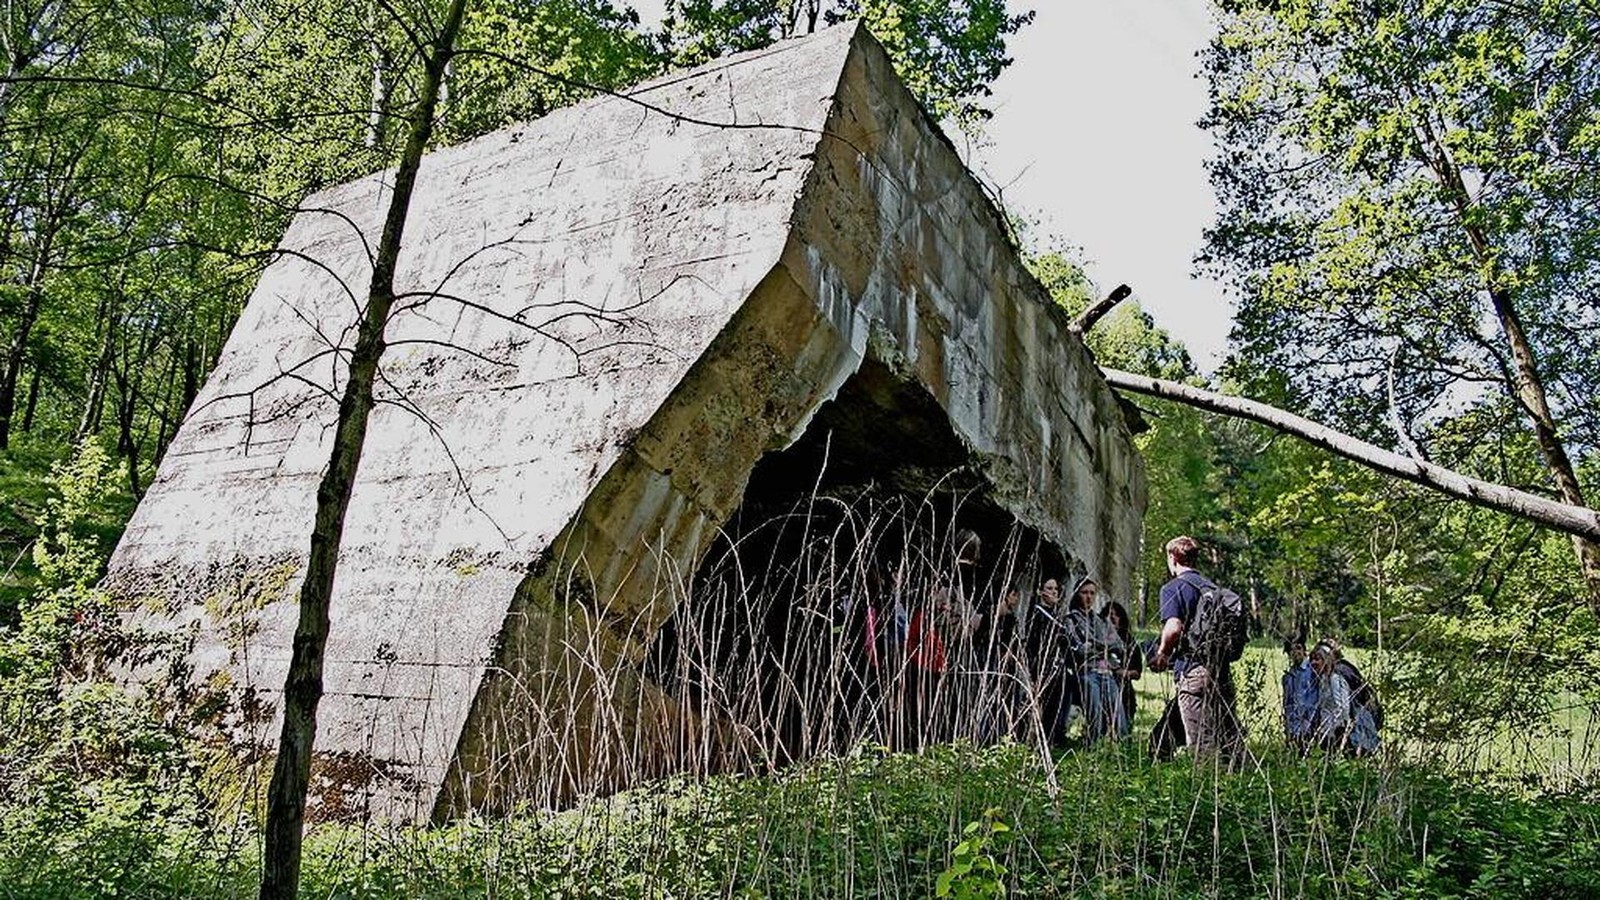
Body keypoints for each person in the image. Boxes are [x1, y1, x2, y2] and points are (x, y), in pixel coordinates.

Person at [1149, 535, 1244, 761]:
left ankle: (1206, 791)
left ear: (1172, 557)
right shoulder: (1212, 588)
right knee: (1231, 740)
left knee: (1203, 744)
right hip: (1221, 672)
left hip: (1193, 672)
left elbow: (1173, 627)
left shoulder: (1173, 588)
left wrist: (1162, 654)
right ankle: (1246, 785)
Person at [1065, 577, 1125, 745]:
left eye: (1092, 593)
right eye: (1084, 593)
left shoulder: (1102, 621)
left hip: (1107, 673)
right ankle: (1092, 750)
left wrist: (1094, 643)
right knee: (1095, 716)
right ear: (1077, 595)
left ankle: (1123, 751)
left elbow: (1119, 646)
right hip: (1087, 673)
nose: (1089, 597)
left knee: (1119, 717)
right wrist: (1104, 647)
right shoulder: (1071, 620)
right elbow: (1078, 649)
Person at [1026, 576, 1077, 747]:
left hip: (1059, 668)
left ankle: (1055, 738)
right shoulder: (1037, 614)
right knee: (1045, 708)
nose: (1054, 592)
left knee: (1059, 707)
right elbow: (1033, 646)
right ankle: (1041, 742)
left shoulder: (1057, 615)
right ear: (1040, 591)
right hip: (1043, 668)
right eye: (1049, 588)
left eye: (1056, 589)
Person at [1310, 641, 1380, 756]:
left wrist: (1336, 733)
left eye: (1317, 659)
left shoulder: (1335, 678)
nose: (1314, 663)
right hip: (1326, 732)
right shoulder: (1323, 679)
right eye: (1312, 660)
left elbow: (1342, 708)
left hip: (1338, 733)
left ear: (1326, 660)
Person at [1102, 600, 1142, 740]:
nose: (1112, 618)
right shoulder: (1098, 640)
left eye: (1116, 615)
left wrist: (1122, 672)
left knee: (1124, 731)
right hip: (1102, 687)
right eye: (1109, 615)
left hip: (1124, 689)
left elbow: (1137, 673)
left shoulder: (1130, 643)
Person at [1281, 636, 1318, 753]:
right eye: (1291, 650)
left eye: (1298, 648)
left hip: (1311, 724)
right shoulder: (1288, 676)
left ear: (1304, 650)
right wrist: (1287, 728)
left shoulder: (1313, 670)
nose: (1296, 652)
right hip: (1294, 727)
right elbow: (1287, 704)